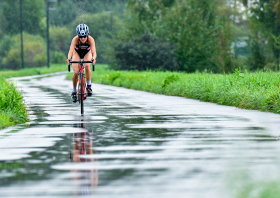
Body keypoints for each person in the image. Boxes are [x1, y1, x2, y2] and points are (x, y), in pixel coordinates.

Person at [66, 24, 97, 103]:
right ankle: (74, 91)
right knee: (76, 72)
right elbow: (70, 51)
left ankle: (89, 86)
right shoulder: (75, 40)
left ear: (88, 35)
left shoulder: (91, 40)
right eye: (80, 37)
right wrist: (69, 58)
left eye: (84, 36)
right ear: (78, 36)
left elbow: (94, 52)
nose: (83, 39)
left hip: (87, 52)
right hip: (76, 53)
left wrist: (93, 58)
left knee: (87, 66)